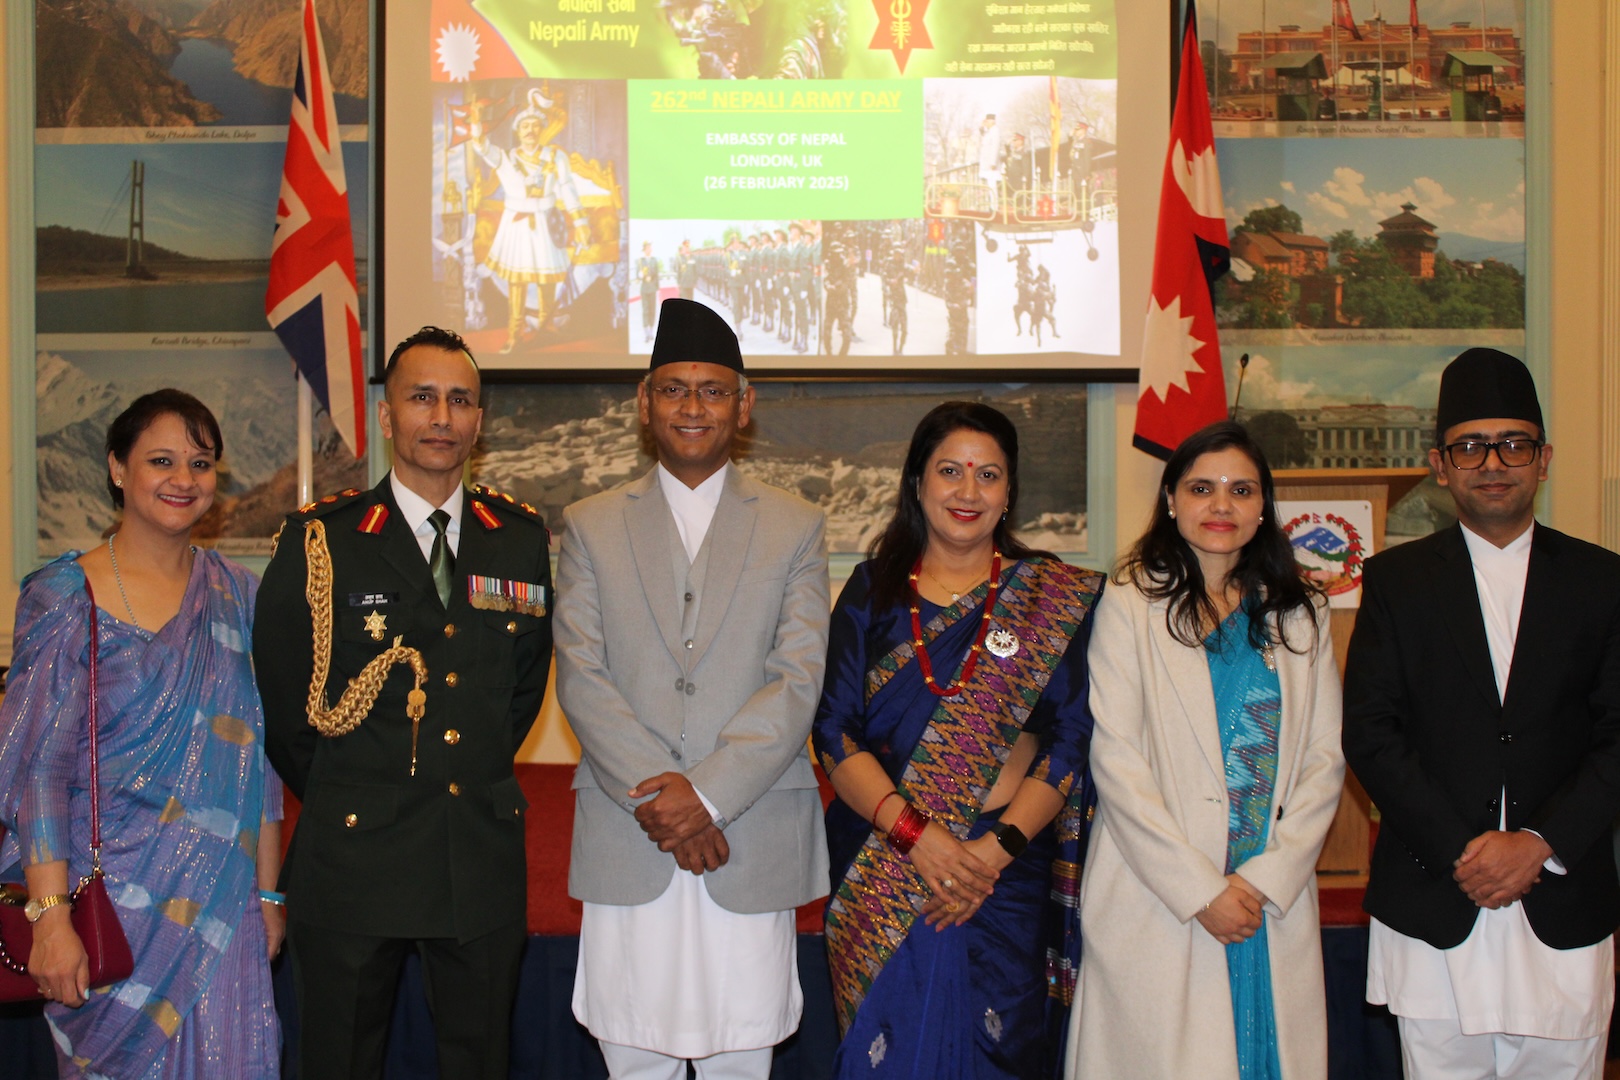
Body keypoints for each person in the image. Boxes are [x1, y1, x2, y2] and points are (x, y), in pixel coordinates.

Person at [255, 326, 553, 1080]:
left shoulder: (518, 540)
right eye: (423, 398)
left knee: (479, 1064)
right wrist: (358, 787)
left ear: (479, 420)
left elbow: (518, 693)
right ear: (388, 416)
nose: (442, 417)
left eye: (460, 400)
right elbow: (288, 711)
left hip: (475, 855)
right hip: (354, 857)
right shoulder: (323, 541)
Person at [556, 297, 830, 1080]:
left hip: (748, 831)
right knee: (633, 1056)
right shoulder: (590, 523)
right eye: (674, 388)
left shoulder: (796, 525)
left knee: (742, 1058)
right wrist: (667, 802)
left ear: (744, 405)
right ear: (644, 402)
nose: (692, 407)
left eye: (713, 390)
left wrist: (705, 797)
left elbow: (798, 676)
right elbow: (581, 673)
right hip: (631, 831)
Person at [1343, 348, 1620, 1079]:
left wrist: (1537, 844)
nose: (1492, 463)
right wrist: (1465, 851)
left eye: (1513, 444)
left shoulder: (1603, 580)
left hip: (1561, 890)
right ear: (1440, 465)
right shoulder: (1397, 581)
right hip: (1437, 891)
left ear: (1544, 459)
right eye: (1470, 447)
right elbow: (1371, 732)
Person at [814, 402, 1103, 1078]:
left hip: (1004, 871)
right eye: (950, 471)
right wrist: (918, 838)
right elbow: (833, 730)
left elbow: (1071, 736)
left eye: (988, 474)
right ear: (918, 482)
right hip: (885, 863)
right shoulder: (872, 591)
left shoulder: (1051, 596)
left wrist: (990, 855)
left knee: (1001, 1049)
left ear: (1009, 491)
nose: (968, 491)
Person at [0, 390, 282, 1077]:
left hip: (223, 910)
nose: (184, 479)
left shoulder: (241, 597)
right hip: (106, 911)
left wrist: (270, 897)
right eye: (162, 460)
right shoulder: (66, 598)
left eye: (200, 463)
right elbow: (37, 774)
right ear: (118, 468)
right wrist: (50, 918)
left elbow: (260, 767)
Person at [1070, 420, 1345, 1080]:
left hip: (1265, 893)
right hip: (1160, 893)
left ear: (1263, 506)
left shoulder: (1301, 611)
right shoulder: (1128, 603)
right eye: (1202, 488)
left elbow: (1325, 759)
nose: (1222, 505)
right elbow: (1116, 760)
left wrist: (1264, 879)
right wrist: (1199, 889)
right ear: (1170, 499)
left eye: (1241, 490)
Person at [472, 86, 589, 352]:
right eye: (525, 125)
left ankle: (546, 326)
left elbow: (567, 188)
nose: (530, 130)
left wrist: (580, 222)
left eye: (535, 125)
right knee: (517, 280)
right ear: (518, 130)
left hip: (546, 223)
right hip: (517, 226)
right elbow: (482, 148)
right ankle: (515, 334)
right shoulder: (506, 158)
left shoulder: (556, 157)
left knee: (547, 278)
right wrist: (476, 124)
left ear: (541, 128)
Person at [639, 240, 662, 343]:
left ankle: (651, 331)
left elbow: (656, 274)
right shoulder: (640, 261)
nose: (650, 249)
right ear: (644, 249)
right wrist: (640, 275)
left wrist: (657, 287)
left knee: (652, 310)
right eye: (648, 247)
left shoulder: (654, 260)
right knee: (645, 310)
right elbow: (638, 275)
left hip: (652, 288)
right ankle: (646, 333)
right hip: (644, 288)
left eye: (650, 247)